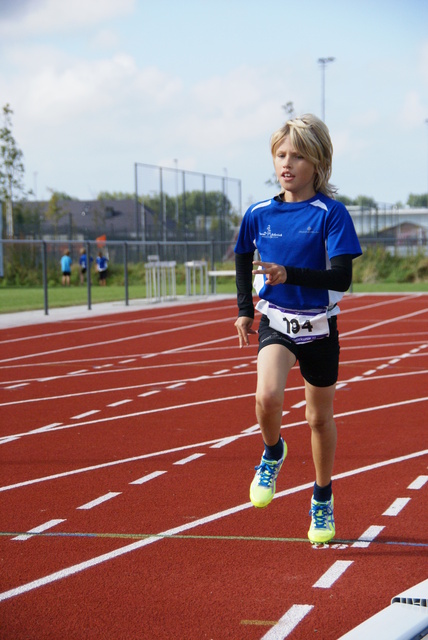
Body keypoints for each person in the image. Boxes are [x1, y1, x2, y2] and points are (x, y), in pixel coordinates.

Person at [234, 114, 362, 544]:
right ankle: (272, 453)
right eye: (281, 154)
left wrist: (291, 273)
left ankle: (322, 497)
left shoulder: (332, 214)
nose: (287, 163)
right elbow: (241, 258)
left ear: (318, 163)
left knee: (317, 418)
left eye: (298, 156)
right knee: (266, 396)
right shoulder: (257, 213)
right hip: (276, 321)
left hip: (320, 328)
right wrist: (244, 310)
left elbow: (341, 278)